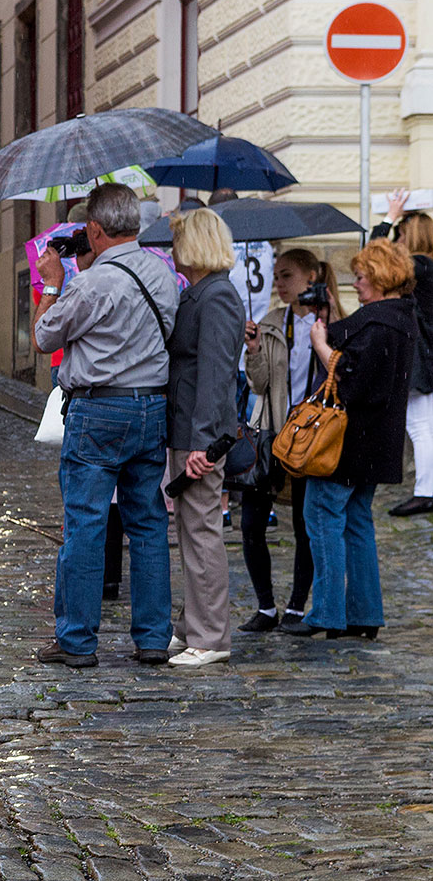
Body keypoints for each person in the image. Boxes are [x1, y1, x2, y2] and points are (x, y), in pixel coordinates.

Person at [31, 183, 179, 668]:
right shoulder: (161, 275)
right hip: (151, 407)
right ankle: (154, 638)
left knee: (87, 525)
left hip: (98, 411)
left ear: (94, 230)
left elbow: (43, 335)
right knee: (150, 524)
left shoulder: (91, 283)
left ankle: (77, 641)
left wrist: (53, 283)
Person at [296, 240, 417, 639]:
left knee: (323, 518)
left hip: (347, 442)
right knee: (357, 522)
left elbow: (350, 378)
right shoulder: (401, 317)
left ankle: (327, 613)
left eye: (362, 277)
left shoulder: (379, 322)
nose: (357, 284)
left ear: (381, 279)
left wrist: (321, 346)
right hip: (376, 441)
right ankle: (364, 613)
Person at [161, 209, 242, 666]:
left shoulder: (217, 297)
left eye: (177, 242)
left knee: (202, 531)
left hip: (199, 434)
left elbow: (215, 376)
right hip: (188, 429)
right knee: (191, 533)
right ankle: (193, 625)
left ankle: (211, 637)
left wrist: (203, 445)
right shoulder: (203, 294)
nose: (173, 250)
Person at [240, 249, 336, 634]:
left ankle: (296, 606)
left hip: (313, 438)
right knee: (251, 522)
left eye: (287, 276)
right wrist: (253, 350)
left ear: (312, 276)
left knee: (303, 524)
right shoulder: (273, 322)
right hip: (274, 433)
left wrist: (324, 331)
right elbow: (259, 384)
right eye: (276, 277)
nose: (278, 284)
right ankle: (265, 607)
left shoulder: (332, 321)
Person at [371, 190, 433, 516]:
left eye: (402, 235)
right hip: (426, 352)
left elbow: (374, 258)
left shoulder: (420, 267)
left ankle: (426, 492)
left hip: (420, 356)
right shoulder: (425, 268)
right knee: (426, 425)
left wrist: (389, 218)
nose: (397, 240)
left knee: (420, 426)